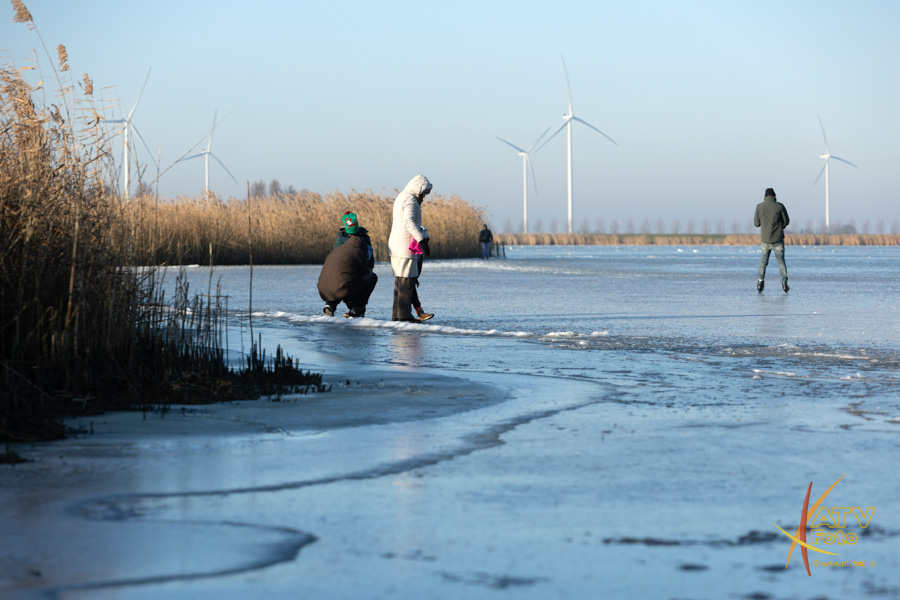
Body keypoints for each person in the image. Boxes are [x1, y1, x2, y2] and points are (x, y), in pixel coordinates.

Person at [388, 175, 432, 322]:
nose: (424, 196)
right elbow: (408, 221)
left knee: (400, 283)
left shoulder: (402, 196)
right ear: (418, 188)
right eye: (424, 193)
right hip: (404, 249)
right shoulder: (410, 200)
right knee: (407, 281)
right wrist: (422, 240)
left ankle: (397, 315)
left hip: (397, 247)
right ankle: (404, 316)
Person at [317, 215, 378, 318]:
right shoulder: (360, 248)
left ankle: (330, 304)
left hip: (323, 289)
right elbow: (365, 272)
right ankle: (356, 309)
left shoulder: (337, 248)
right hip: (342, 287)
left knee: (338, 280)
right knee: (370, 278)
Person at [753, 187, 790, 293]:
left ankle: (760, 282)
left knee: (763, 261)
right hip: (778, 240)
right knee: (781, 262)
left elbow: (756, 223)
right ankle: (784, 282)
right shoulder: (780, 206)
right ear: (774, 196)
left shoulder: (759, 207)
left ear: (765, 196)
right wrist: (780, 227)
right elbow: (787, 221)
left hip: (765, 240)